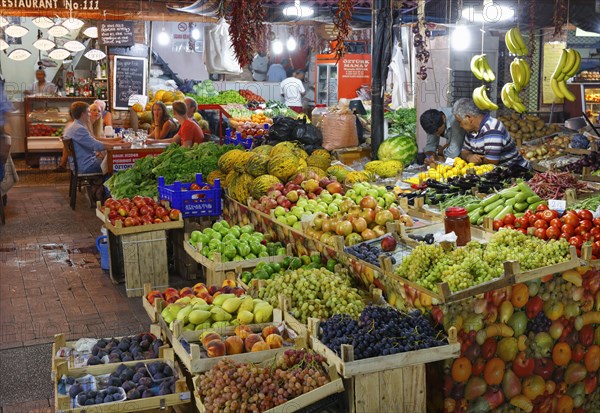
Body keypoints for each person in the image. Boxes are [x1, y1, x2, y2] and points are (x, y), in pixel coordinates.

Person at [63, 102, 127, 203]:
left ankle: (99, 187)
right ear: (83, 114)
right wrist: (120, 145)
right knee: (115, 164)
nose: (90, 114)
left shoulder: (75, 126)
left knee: (109, 161)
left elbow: (94, 142)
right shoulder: (79, 129)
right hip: (86, 165)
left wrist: (114, 142)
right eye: (88, 112)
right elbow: (96, 145)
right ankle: (108, 195)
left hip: (81, 163)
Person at [452, 98, 530, 169]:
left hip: (518, 172)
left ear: (469, 118)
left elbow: (492, 162)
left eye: (460, 122)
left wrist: (477, 159)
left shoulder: (492, 128)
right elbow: (464, 152)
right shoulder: (471, 131)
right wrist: (469, 157)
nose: (460, 125)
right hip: (497, 173)